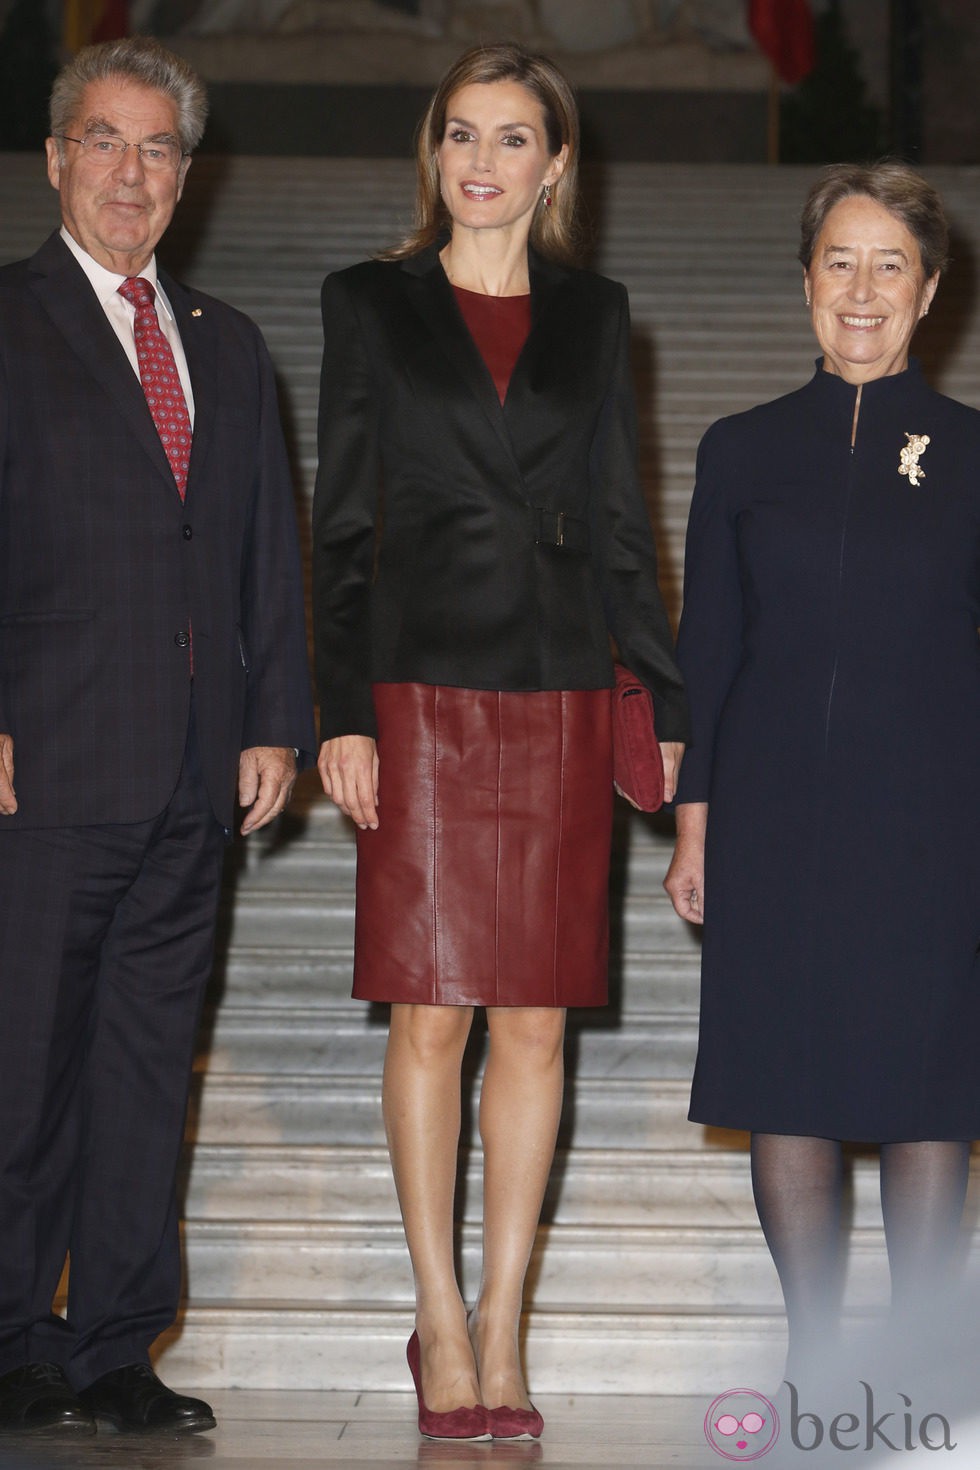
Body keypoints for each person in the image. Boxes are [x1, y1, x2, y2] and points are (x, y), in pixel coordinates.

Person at [313, 42, 687, 1441]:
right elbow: (342, 522)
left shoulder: (600, 316)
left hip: (554, 688)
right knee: (434, 1011)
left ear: (555, 164)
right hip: (416, 690)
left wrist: (667, 703)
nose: (481, 159)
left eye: (512, 136)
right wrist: (338, 704)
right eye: (460, 132)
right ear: (435, 153)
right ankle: (441, 1315)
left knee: (533, 1021)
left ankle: (509, 1316)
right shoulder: (369, 302)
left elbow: (630, 531)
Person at [0, 37, 315, 1437]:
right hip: (45, 767)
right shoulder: (5, 322)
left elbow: (266, 556)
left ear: (189, 176)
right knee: (20, 1064)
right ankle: (9, 1332)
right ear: (58, 156)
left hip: (195, 776)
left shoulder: (229, 344)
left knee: (143, 1066)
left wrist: (276, 723)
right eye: (107, 142)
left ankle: (119, 1339)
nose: (134, 173)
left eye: (160, 150)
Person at [665, 162, 980, 1382]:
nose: (861, 290)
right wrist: (695, 819)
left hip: (931, 814)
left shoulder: (964, 453)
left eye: (887, 264)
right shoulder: (738, 449)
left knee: (924, 1097)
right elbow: (710, 646)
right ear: (803, 283)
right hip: (772, 811)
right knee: (786, 1085)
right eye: (837, 262)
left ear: (930, 290)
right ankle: (808, 1365)